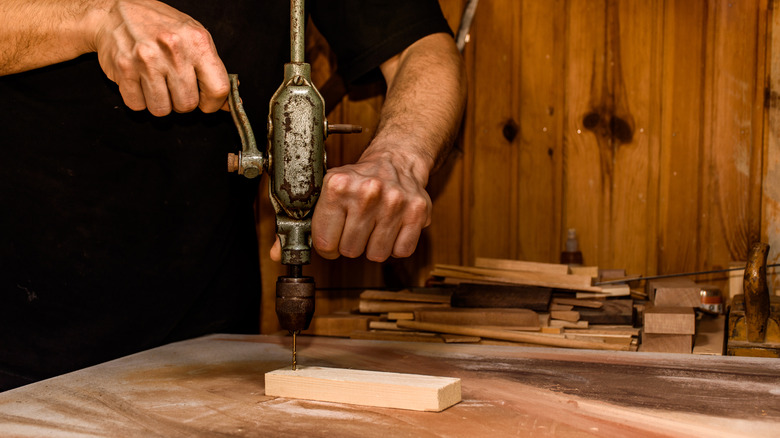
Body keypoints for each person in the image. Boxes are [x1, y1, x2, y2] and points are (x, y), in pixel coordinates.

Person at [0, 0, 465, 391]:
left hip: (207, 336)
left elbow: (420, 48)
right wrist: (93, 18)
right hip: (20, 333)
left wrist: (399, 157)